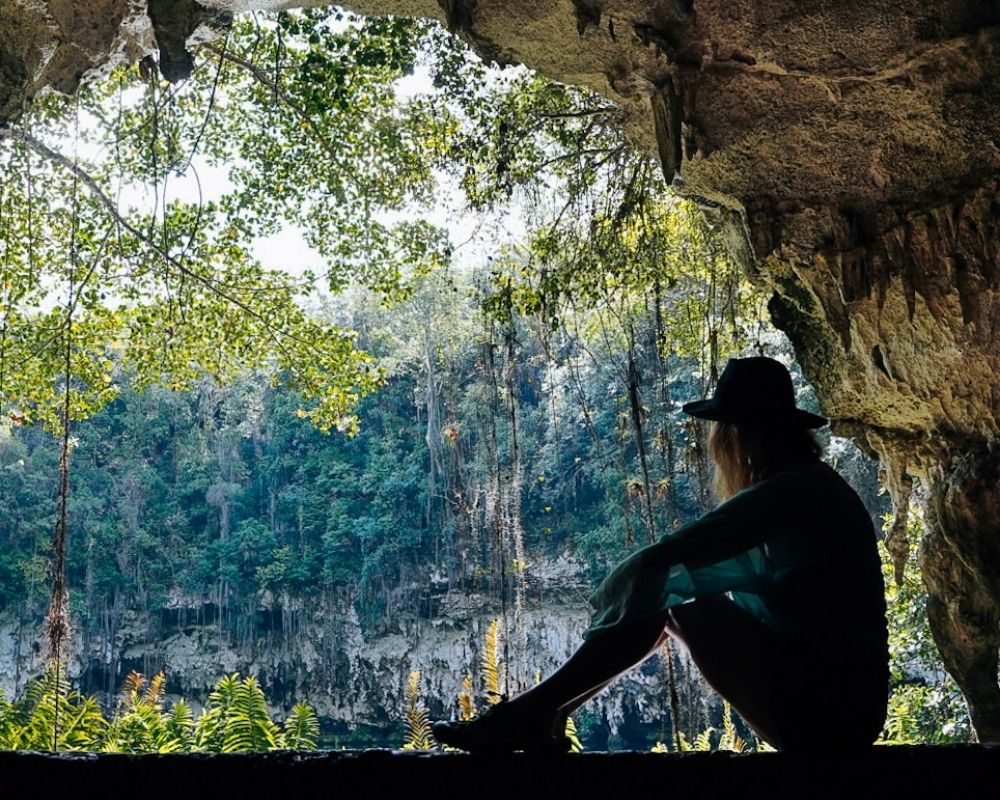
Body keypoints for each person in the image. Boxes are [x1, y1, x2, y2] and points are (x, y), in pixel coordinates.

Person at [431, 356, 889, 752]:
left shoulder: (789, 493)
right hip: (844, 712)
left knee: (674, 602)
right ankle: (540, 715)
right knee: (677, 603)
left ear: (738, 435)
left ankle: (532, 714)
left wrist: (611, 602)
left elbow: (661, 560)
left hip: (827, 717)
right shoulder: (813, 487)